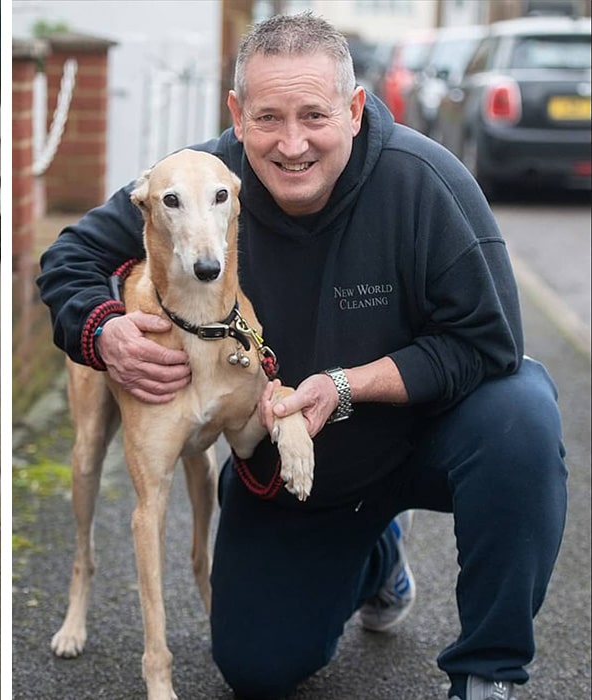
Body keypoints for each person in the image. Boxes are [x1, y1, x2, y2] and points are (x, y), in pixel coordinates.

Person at [36, 12, 567, 700]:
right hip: (300, 476)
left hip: (427, 434)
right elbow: (69, 259)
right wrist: (103, 330)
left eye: (314, 115)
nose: (292, 144)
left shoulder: (427, 182)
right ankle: (377, 559)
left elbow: (490, 343)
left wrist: (346, 386)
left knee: (521, 413)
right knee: (256, 668)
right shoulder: (206, 182)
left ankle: (487, 672)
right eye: (268, 119)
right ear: (236, 113)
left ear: (353, 108)